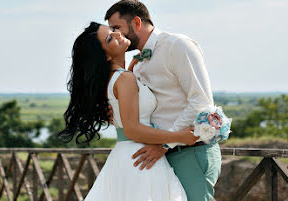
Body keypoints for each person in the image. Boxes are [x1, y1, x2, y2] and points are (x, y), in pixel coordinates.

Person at [59, 22, 195, 201]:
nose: (117, 35)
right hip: (140, 158)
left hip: (126, 156)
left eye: (113, 31)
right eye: (110, 39)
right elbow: (132, 130)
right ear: (105, 56)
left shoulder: (115, 78)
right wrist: (179, 136)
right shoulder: (124, 78)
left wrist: (131, 66)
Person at [105, 0, 221, 201]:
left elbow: (201, 102)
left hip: (190, 152)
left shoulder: (177, 46)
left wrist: (165, 144)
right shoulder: (138, 64)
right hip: (159, 158)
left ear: (137, 23)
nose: (115, 34)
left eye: (117, 27)